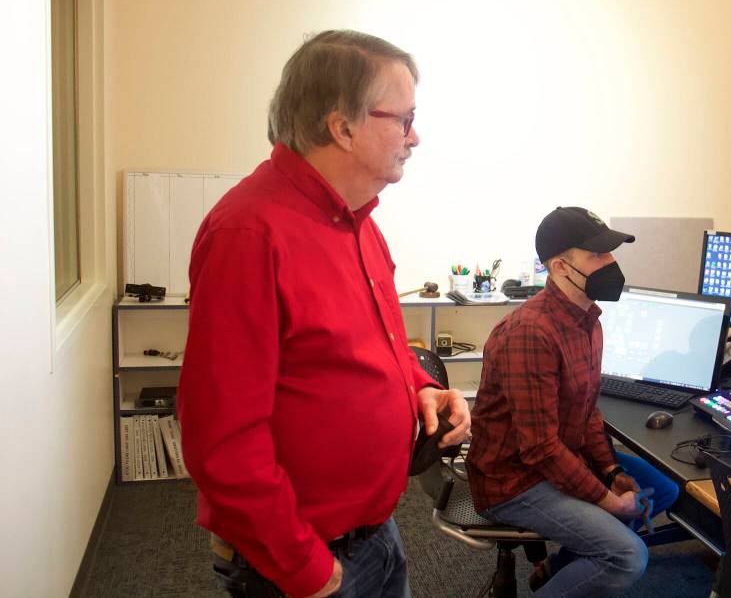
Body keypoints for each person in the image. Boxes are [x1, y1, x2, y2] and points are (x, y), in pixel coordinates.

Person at [178, 30, 470, 598]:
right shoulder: (250, 234)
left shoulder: (360, 223)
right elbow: (221, 440)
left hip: (375, 532)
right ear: (342, 127)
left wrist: (422, 389)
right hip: (302, 559)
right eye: (403, 119)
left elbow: (374, 349)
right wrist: (304, 568)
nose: (416, 137)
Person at [467, 206, 679, 597]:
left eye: (611, 252)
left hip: (558, 456)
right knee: (626, 556)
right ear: (561, 267)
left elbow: (586, 412)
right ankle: (586, 562)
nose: (611, 263)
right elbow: (540, 449)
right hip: (512, 479)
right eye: (597, 255)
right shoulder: (531, 334)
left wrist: (611, 469)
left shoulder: (588, 321)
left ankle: (557, 570)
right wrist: (611, 503)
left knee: (662, 492)